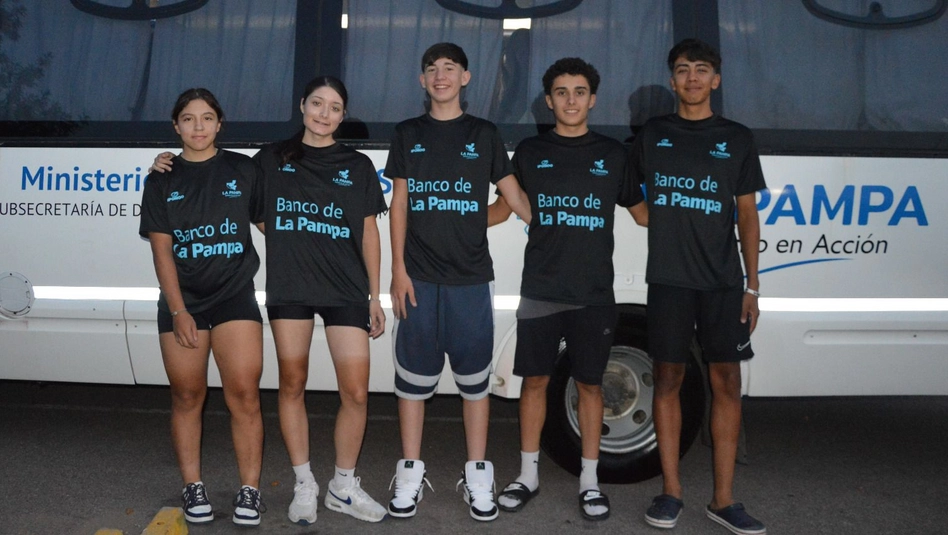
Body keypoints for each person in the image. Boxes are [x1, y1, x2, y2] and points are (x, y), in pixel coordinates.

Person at [151, 76, 388, 525]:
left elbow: (369, 232)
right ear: (302, 106)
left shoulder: (357, 165)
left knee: (357, 391)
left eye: (334, 107)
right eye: (316, 103)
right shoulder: (269, 159)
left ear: (343, 115)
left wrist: (376, 295)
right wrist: (165, 162)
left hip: (346, 289)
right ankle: (304, 483)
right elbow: (245, 205)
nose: (324, 113)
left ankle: (343, 486)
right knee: (292, 384)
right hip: (290, 288)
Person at [489, 58, 647, 521]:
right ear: (549, 100)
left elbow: (643, 215)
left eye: (579, 92)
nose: (571, 100)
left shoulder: (614, 155)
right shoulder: (531, 152)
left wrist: (704, 219)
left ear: (592, 99)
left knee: (590, 386)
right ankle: (528, 476)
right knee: (535, 382)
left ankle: (589, 481)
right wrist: (444, 221)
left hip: (593, 293)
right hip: (540, 288)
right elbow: (502, 209)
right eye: (561, 92)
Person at [385, 42, 531, 522]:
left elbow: (512, 198)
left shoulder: (484, 134)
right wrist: (398, 270)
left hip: (471, 280)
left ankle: (477, 475)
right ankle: (410, 472)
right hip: (418, 280)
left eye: (450, 68)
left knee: (474, 385)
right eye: (432, 69)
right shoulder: (407, 133)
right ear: (423, 80)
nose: (441, 75)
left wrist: (548, 228)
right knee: (412, 385)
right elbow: (400, 203)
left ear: (465, 77)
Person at [629, 39, 767, 535]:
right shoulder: (654, 134)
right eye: (683, 69)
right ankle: (671, 492)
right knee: (667, 380)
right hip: (669, 280)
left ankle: (723, 500)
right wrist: (652, 218)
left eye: (701, 69)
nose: (692, 77)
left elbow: (747, 214)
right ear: (672, 80)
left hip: (723, 283)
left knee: (726, 383)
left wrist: (753, 286)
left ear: (716, 80)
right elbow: (628, 192)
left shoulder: (737, 138)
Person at [139, 88, 266, 526]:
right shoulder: (161, 178)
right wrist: (179, 311)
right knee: (187, 395)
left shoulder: (243, 169)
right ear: (176, 126)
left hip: (235, 297)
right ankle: (193, 485)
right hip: (183, 302)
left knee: (245, 395)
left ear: (219, 123)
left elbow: (270, 223)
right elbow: (161, 252)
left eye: (207, 117)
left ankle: (250, 490)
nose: (199, 126)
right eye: (189, 119)